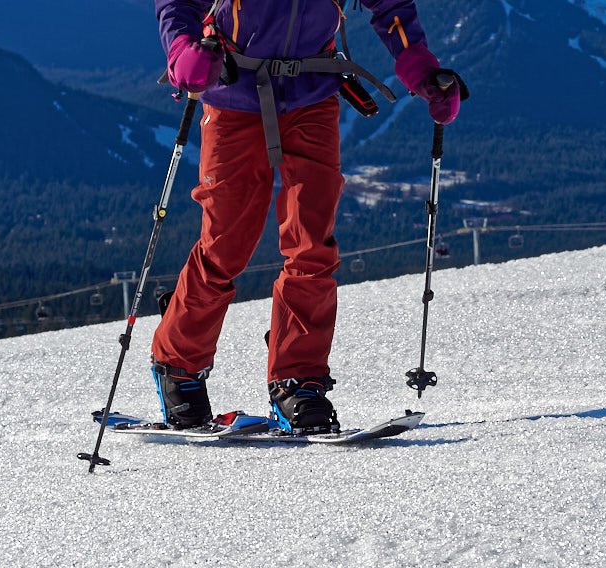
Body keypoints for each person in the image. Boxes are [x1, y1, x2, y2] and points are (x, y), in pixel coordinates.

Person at [151, 0, 462, 433]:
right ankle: (177, 364)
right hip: (233, 90)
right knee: (225, 245)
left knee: (312, 242)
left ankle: (298, 381)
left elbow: (390, 5)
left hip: (312, 94)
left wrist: (421, 68)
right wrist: (182, 51)